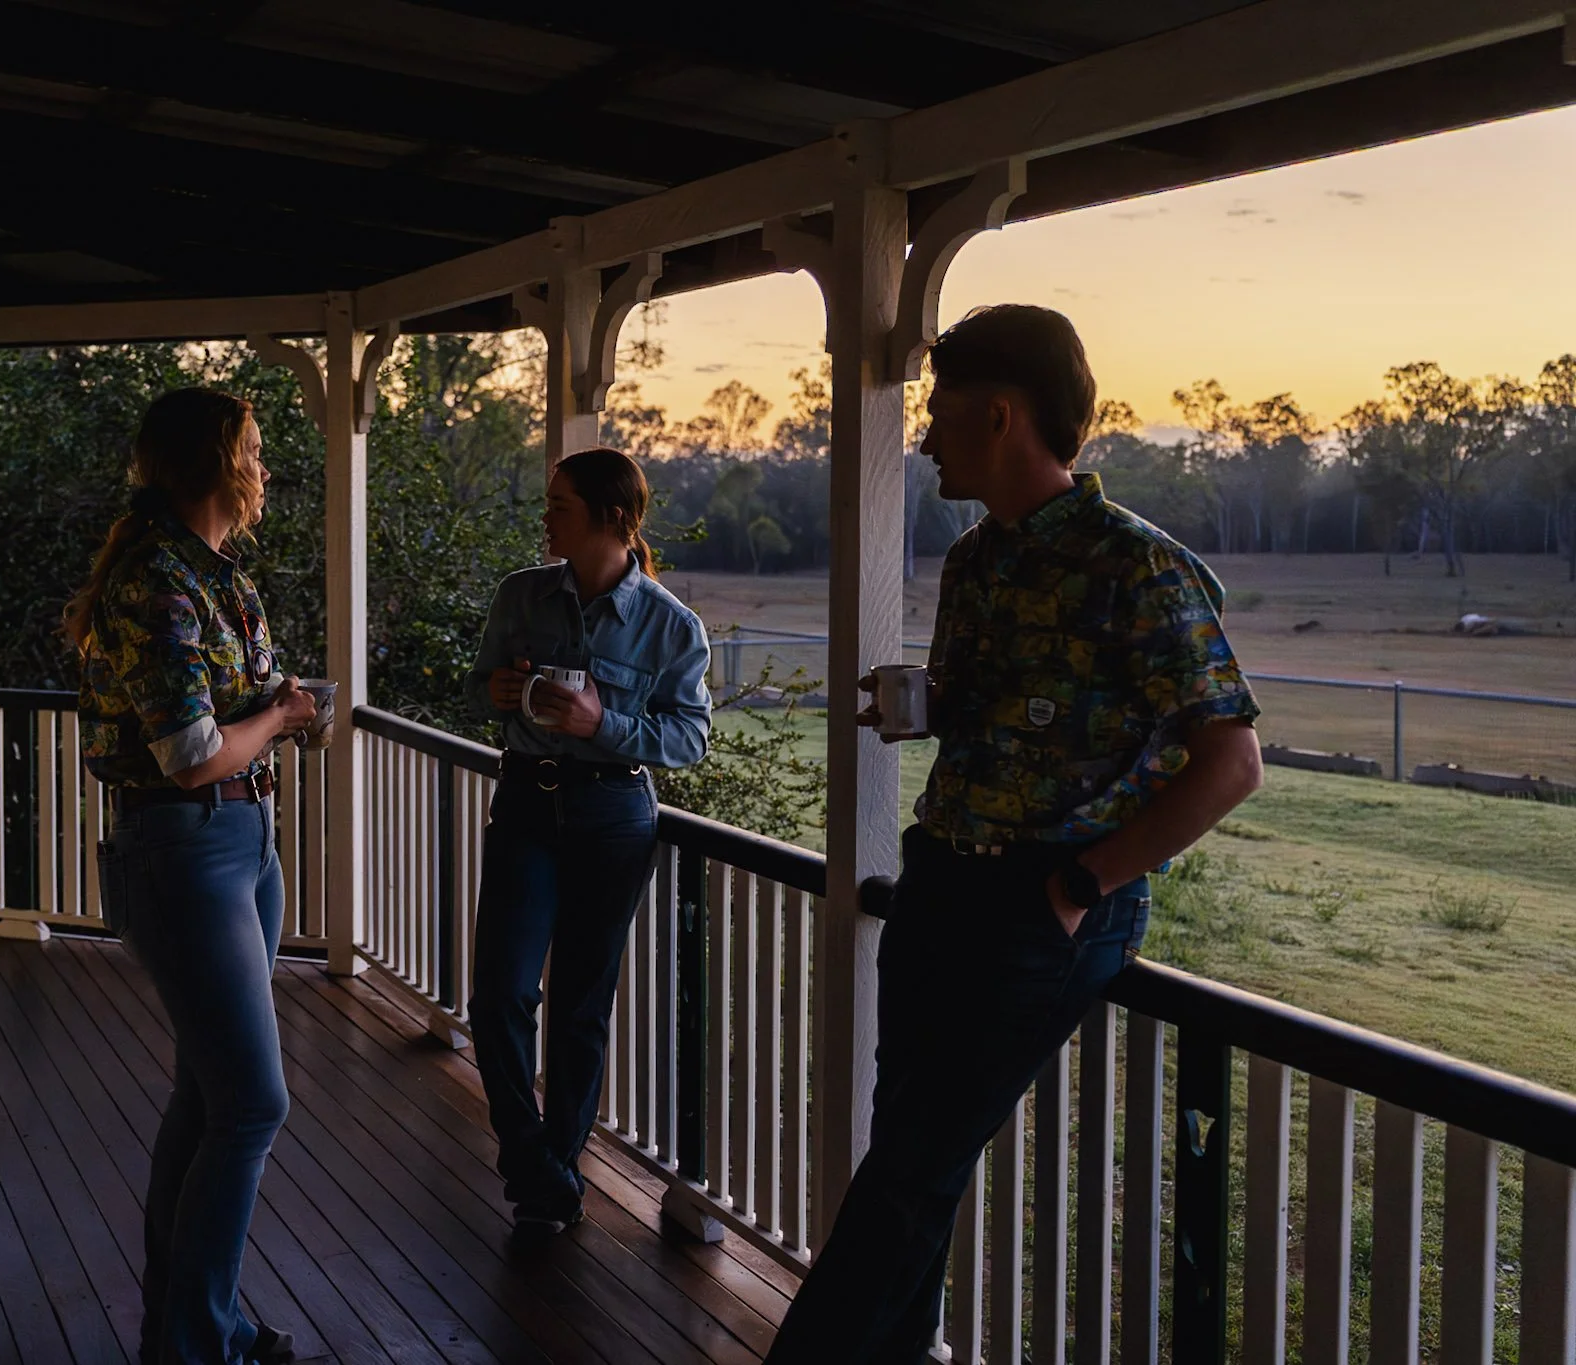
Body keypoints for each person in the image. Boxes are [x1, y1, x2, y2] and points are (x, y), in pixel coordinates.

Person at [764, 306, 1265, 1363]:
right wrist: (929, 705)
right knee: (910, 1158)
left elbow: (1230, 762)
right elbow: (1000, 708)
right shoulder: (975, 560)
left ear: (998, 414)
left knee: (907, 1167)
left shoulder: (1137, 569)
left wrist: (1082, 884)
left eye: (939, 413)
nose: (927, 434)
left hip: (1042, 908)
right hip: (940, 877)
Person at [69, 388, 316, 1365]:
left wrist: (283, 711)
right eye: (253, 448)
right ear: (219, 460)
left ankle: (190, 1326)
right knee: (252, 1104)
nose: (262, 465)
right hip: (183, 845)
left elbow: (230, 727)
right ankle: (197, 1341)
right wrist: (282, 720)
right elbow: (187, 752)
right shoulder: (157, 582)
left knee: (207, 1096)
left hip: (242, 842)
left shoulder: (215, 576)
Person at [464, 447, 713, 1233]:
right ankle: (535, 1164)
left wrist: (603, 723)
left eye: (561, 505)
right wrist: (499, 692)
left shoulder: (672, 627)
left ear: (612, 518)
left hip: (614, 817)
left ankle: (556, 1175)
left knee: (579, 1006)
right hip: (528, 805)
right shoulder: (521, 596)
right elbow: (478, 688)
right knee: (500, 992)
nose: (546, 517)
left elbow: (690, 736)